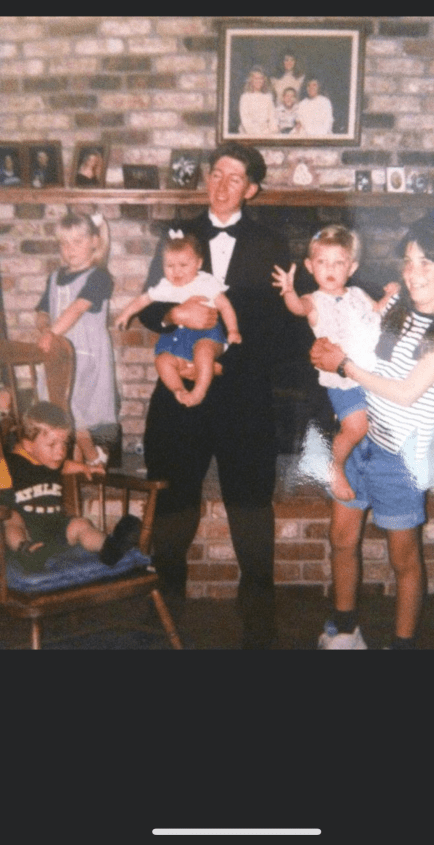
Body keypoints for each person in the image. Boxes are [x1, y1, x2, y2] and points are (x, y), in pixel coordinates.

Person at [139, 143, 290, 648]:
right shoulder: (178, 233)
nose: (222, 185)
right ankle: (165, 611)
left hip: (242, 395)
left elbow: (278, 325)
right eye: (217, 174)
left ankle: (259, 620)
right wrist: (173, 316)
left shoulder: (271, 243)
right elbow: (149, 305)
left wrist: (225, 363)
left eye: (235, 178)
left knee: (250, 499)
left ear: (251, 189)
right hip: (181, 388)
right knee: (173, 494)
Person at [310, 208, 434, 650]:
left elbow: (406, 392)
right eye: (408, 261)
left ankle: (401, 649)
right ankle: (346, 631)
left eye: (427, 263)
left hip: (401, 459)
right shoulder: (400, 310)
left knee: (404, 559)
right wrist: (327, 349)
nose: (412, 273)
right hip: (363, 439)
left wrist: (343, 365)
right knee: (341, 539)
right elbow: (363, 350)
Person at [272, 224, 399, 501]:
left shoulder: (358, 294)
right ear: (309, 266)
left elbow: (378, 313)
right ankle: (335, 467)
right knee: (357, 427)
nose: (330, 269)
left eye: (338, 263)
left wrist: (390, 296)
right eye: (322, 262)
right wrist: (288, 291)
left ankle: (367, 472)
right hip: (343, 380)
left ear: (351, 268)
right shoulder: (314, 300)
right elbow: (297, 308)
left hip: (372, 375)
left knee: (375, 429)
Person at [1, 402, 141, 572]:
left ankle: (110, 548)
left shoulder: (52, 462)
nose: (60, 451)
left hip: (57, 528)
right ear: (29, 445)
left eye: (64, 444)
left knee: (81, 524)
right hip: (28, 531)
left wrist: (86, 467)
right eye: (52, 445)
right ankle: (27, 552)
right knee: (12, 520)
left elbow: (66, 465)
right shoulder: (10, 464)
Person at [116, 232, 242, 407]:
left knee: (204, 353)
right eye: (170, 266)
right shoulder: (165, 286)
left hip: (207, 335)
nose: (176, 271)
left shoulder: (206, 282)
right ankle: (178, 390)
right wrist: (126, 314)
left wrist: (233, 330)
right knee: (162, 361)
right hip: (176, 338)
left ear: (198, 263)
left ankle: (199, 391)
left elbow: (225, 306)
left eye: (183, 265)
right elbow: (143, 300)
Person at [36, 210, 118, 469]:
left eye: (77, 242)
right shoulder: (54, 277)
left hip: (86, 353)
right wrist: (44, 329)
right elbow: (42, 311)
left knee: (74, 406)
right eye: (64, 243)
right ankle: (79, 465)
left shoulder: (99, 276)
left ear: (94, 241)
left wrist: (52, 333)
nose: (69, 249)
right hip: (57, 351)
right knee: (58, 405)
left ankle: (93, 457)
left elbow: (77, 308)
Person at [238, 66, 278, 136]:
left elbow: (272, 117)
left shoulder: (268, 97)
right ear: (251, 80)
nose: (258, 81)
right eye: (256, 79)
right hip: (249, 133)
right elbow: (245, 119)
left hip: (266, 133)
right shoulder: (245, 97)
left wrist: (272, 131)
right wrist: (256, 133)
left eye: (261, 79)